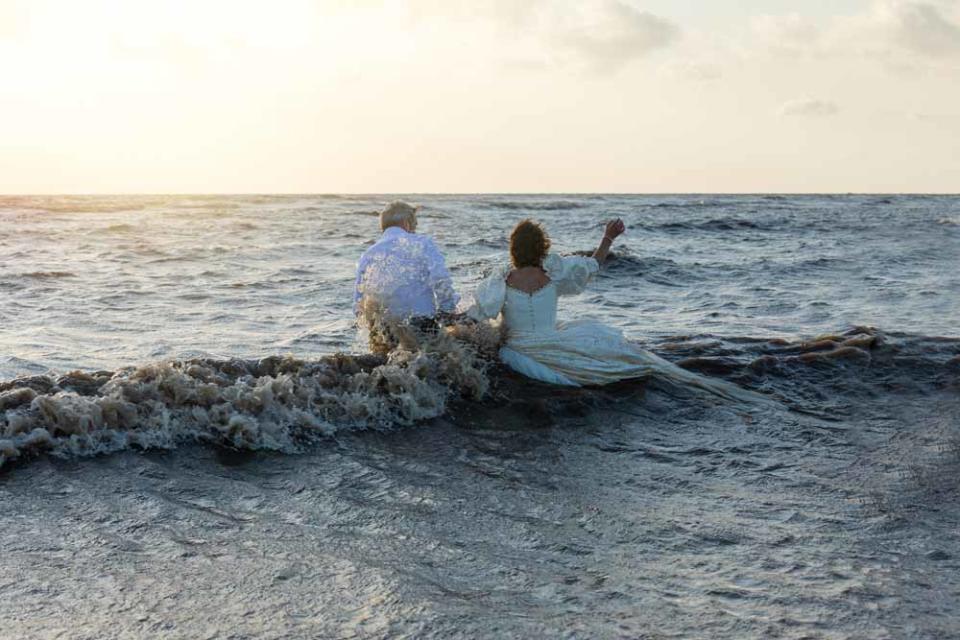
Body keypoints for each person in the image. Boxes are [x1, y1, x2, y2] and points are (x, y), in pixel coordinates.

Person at [467, 218, 768, 404]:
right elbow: (594, 263)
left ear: (514, 249)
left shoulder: (501, 281)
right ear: (542, 247)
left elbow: (474, 316)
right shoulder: (556, 272)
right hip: (554, 341)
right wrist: (608, 237)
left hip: (517, 351)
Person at [354, 201, 459, 352]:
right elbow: (440, 279)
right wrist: (447, 312)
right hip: (420, 323)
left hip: (384, 328)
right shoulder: (422, 243)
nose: (415, 230)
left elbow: (358, 303)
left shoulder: (368, 254)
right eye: (415, 225)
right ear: (406, 223)